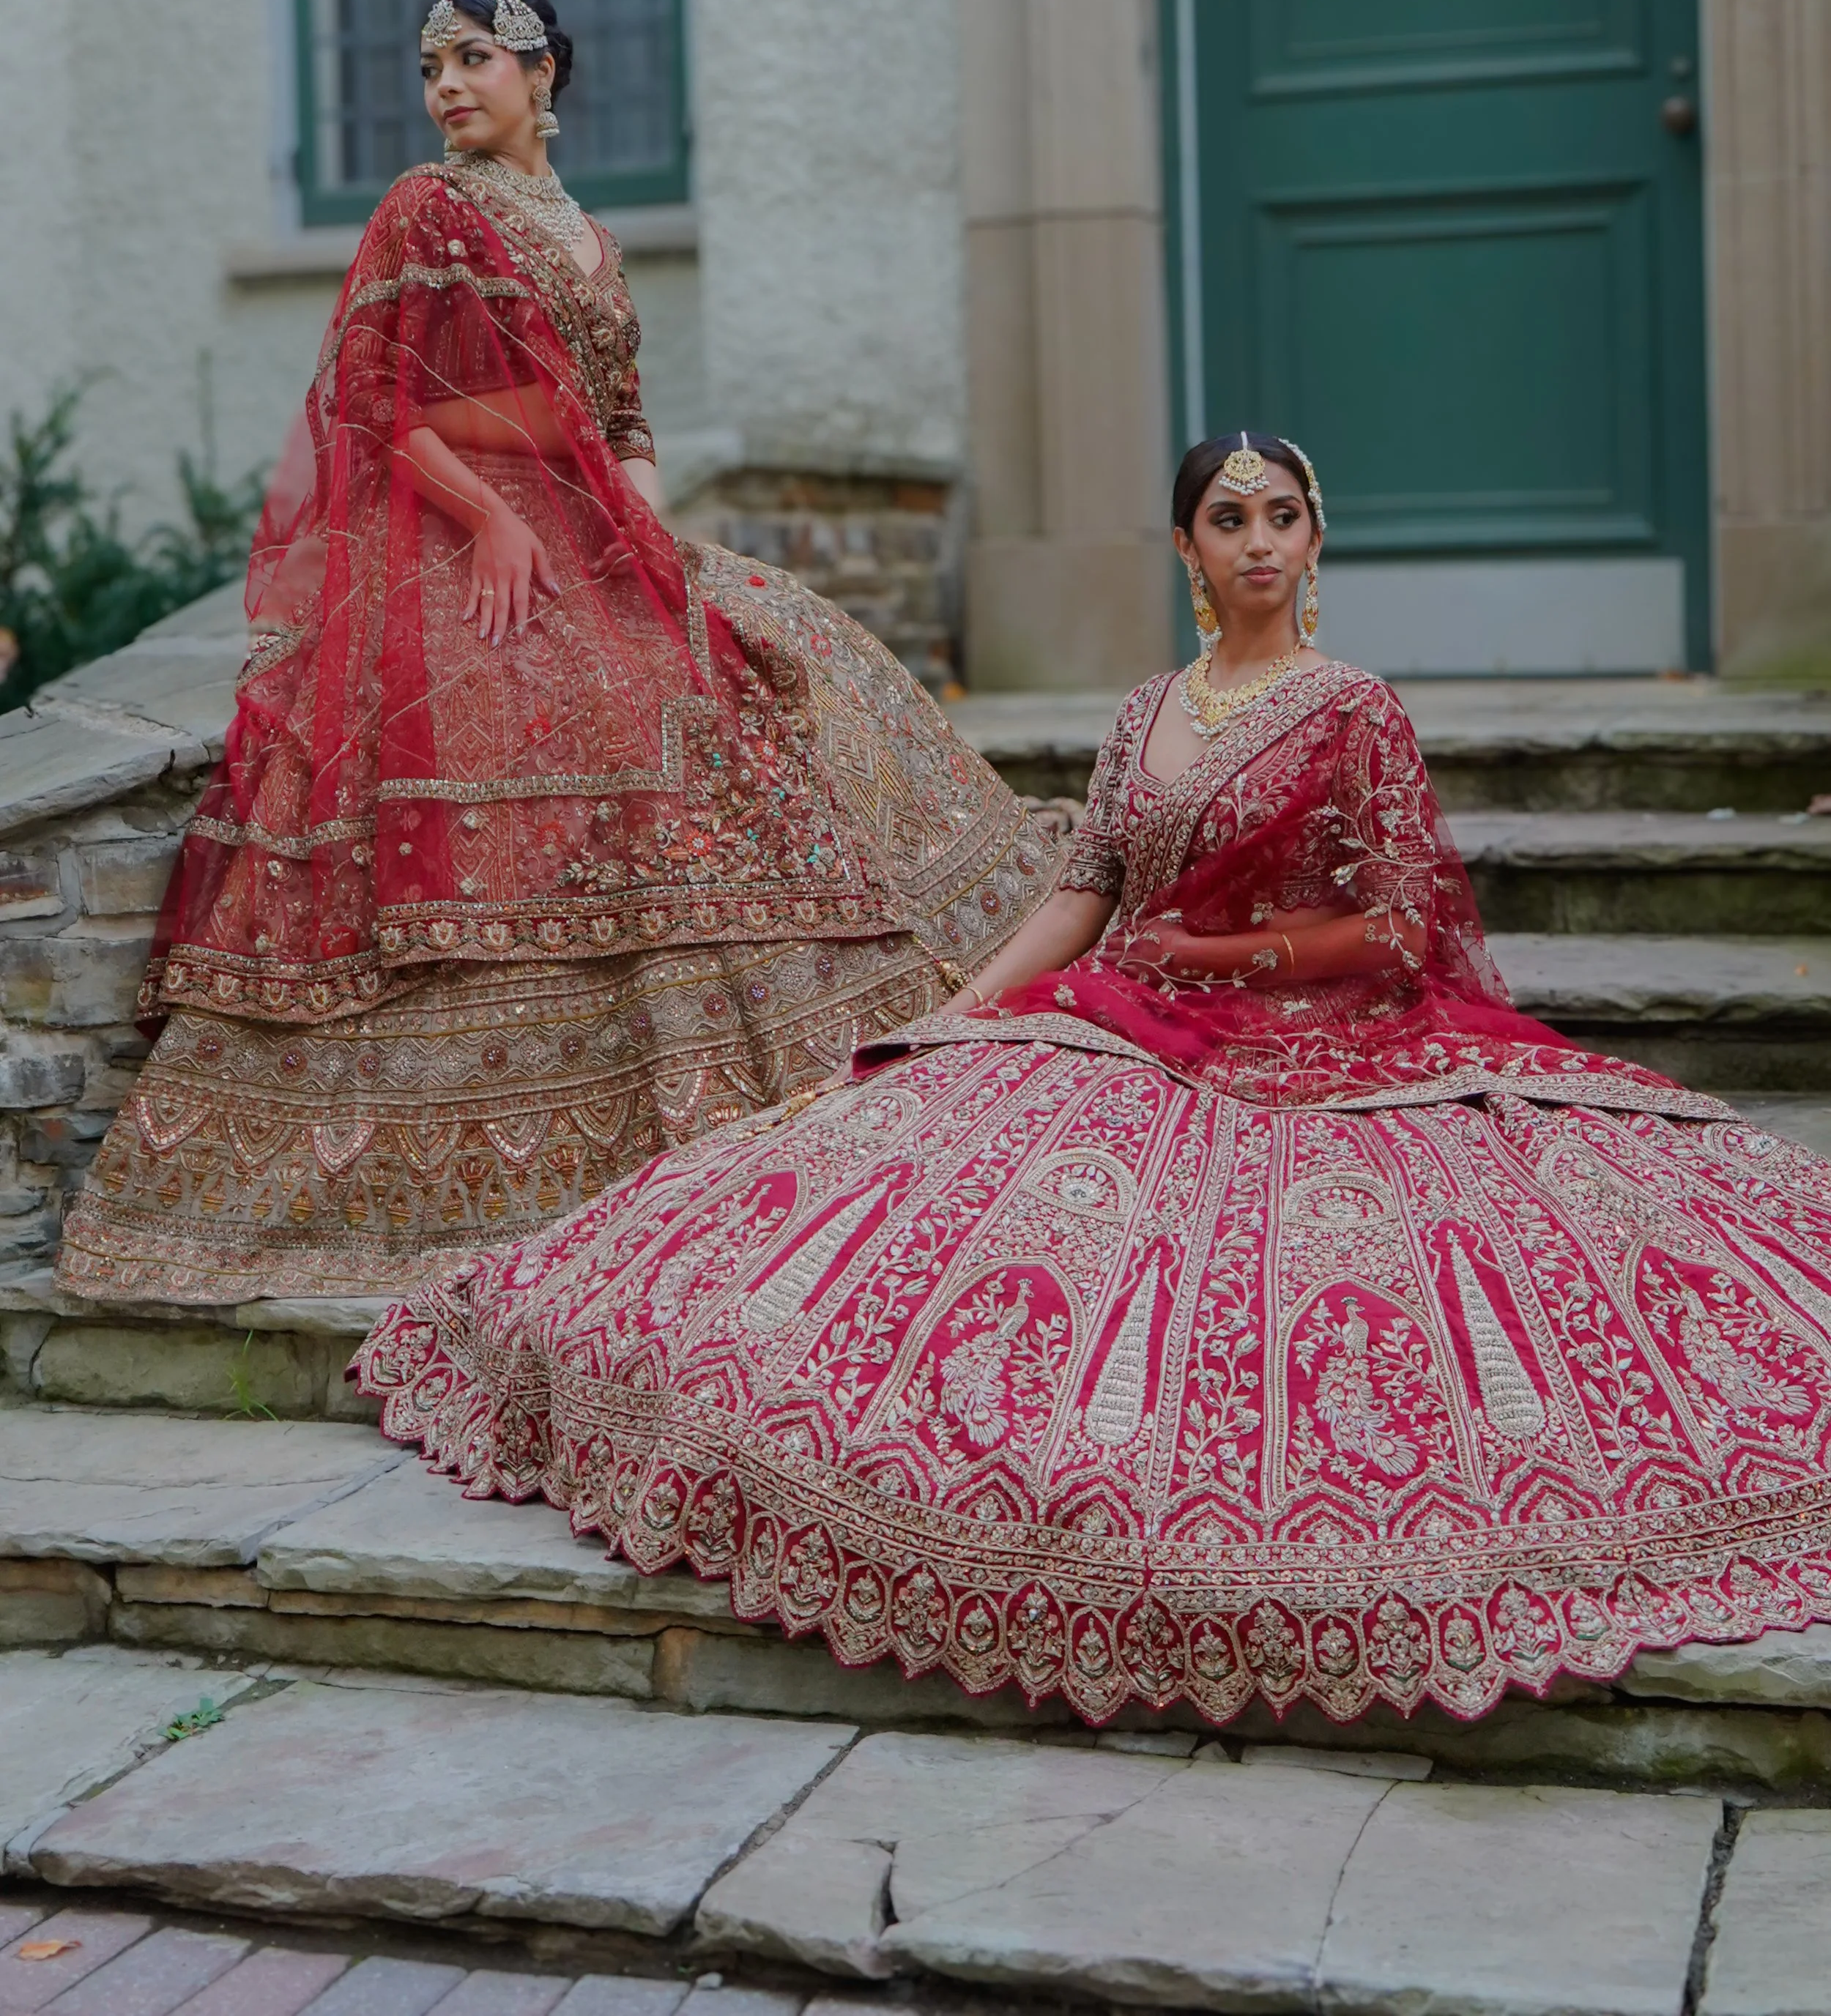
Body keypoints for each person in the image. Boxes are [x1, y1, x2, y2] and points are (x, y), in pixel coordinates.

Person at [358, 428, 1831, 1729]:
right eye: (1228, 519)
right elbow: (1082, 887)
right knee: (882, 1195)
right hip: (1122, 1011)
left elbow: (1396, 929)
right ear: (1185, 547)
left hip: (1314, 1045)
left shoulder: (1353, 709)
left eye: (1283, 516)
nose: (1258, 543)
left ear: (1315, 540)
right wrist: (962, 1012)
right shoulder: (1147, 711)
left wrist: (1221, 958)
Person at [56, 0, 1055, 1303]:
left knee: (770, 659)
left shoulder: (589, 236)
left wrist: (653, 544)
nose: (447, 87)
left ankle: (873, 1041)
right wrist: (495, 521)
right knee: (594, 703)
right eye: (432, 67)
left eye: (474, 58)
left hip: (597, 529)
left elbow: (624, 421)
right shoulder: (428, 208)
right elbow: (368, 405)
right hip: (455, 538)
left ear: (542, 74)